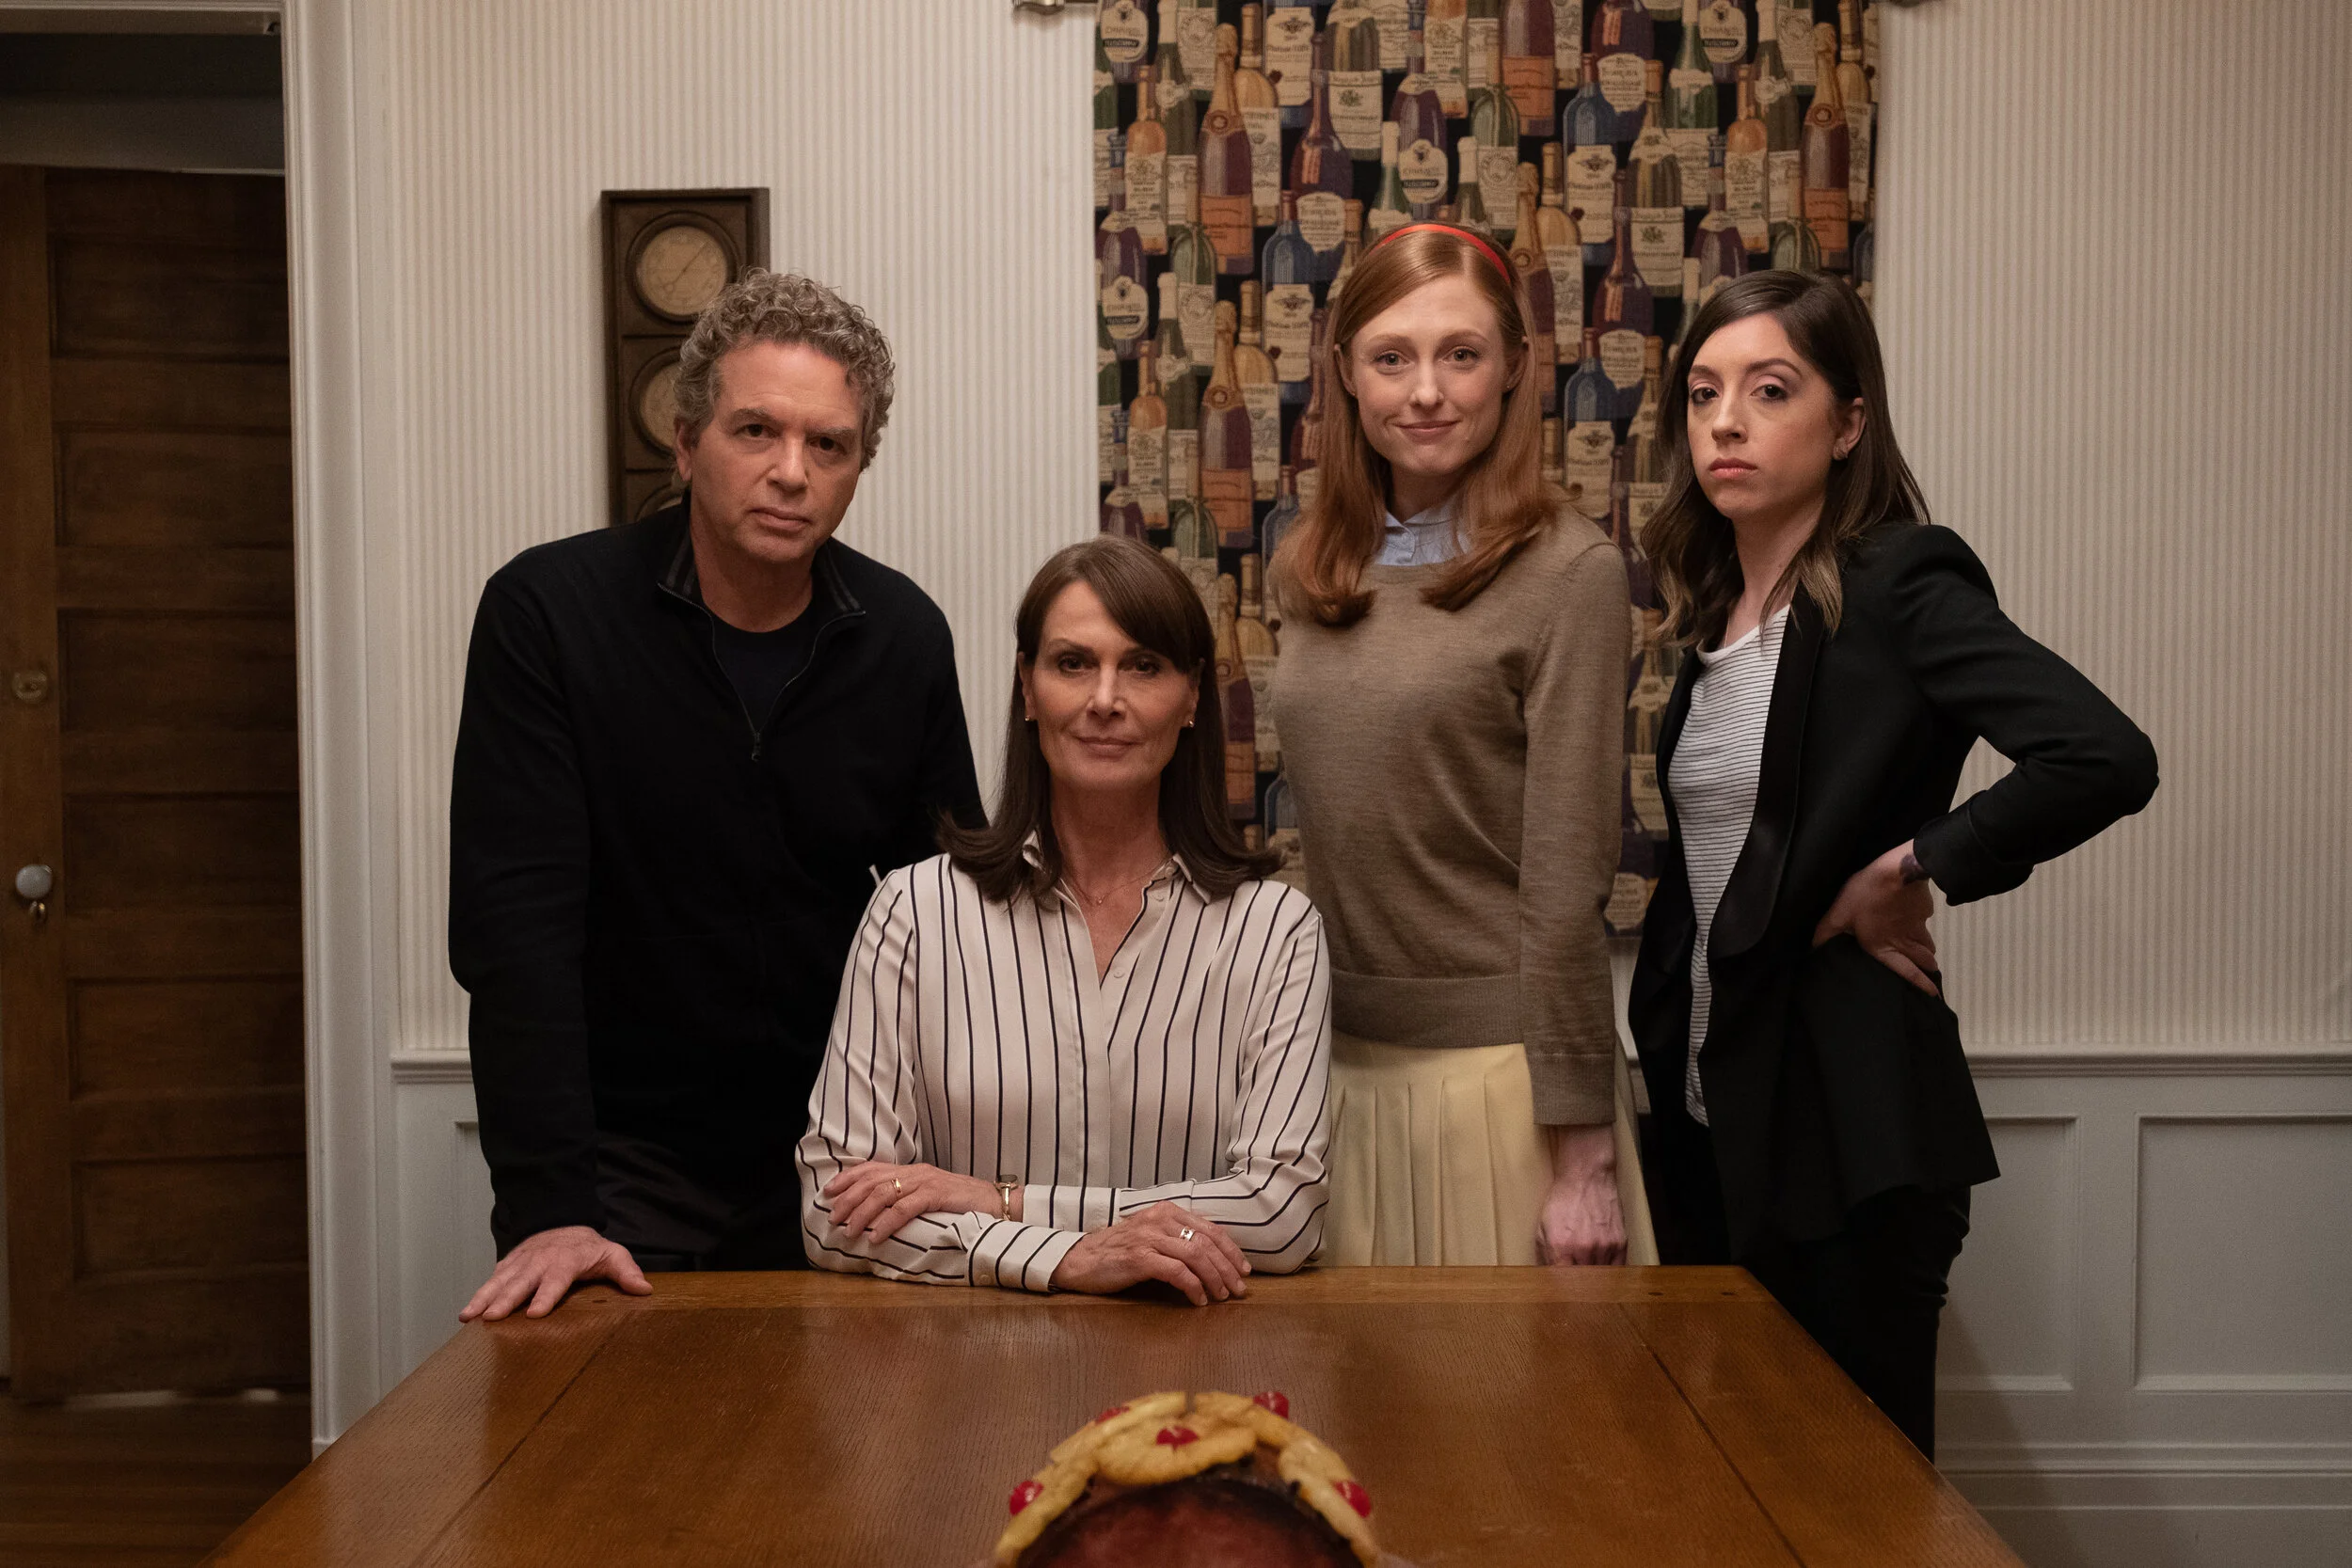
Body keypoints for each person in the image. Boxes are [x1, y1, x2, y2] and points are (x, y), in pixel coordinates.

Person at [1629, 270, 2159, 1455]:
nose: (1726, 421)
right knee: (1732, 1483)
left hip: (1847, 1126)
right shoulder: (1713, 612)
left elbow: (2102, 754)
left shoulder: (1897, 579)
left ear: (1848, 422)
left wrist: (1913, 864)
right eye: (1703, 393)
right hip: (1714, 1111)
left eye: (1770, 390)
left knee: (1854, 1494)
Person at [450, 270, 983, 1321]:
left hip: (846, 1152)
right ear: (687, 442)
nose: (791, 471)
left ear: (858, 467)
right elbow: (516, 932)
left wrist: (965, 1168)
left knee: (867, 1427)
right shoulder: (548, 614)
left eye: (828, 445)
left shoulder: (903, 635)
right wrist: (551, 1206)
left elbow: (957, 919)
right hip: (619, 1164)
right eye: (756, 431)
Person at [1268, 222, 1657, 1268]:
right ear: (1346, 373)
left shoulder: (1569, 573)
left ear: (1513, 369)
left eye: (1462, 354)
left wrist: (1583, 1158)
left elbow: (1567, 880)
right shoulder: (1309, 567)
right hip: (1331, 1073)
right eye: (1392, 357)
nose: (1426, 391)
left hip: (1502, 1085)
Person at [797, 537, 1329, 1299]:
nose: (1105, 698)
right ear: (1027, 687)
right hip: (970, 1363)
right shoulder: (914, 913)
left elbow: (1281, 1213)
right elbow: (833, 1210)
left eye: (1143, 665)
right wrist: (1070, 1258)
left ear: (1191, 698)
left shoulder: (1277, 931)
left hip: (1192, 1359)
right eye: (1073, 663)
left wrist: (1002, 1202)